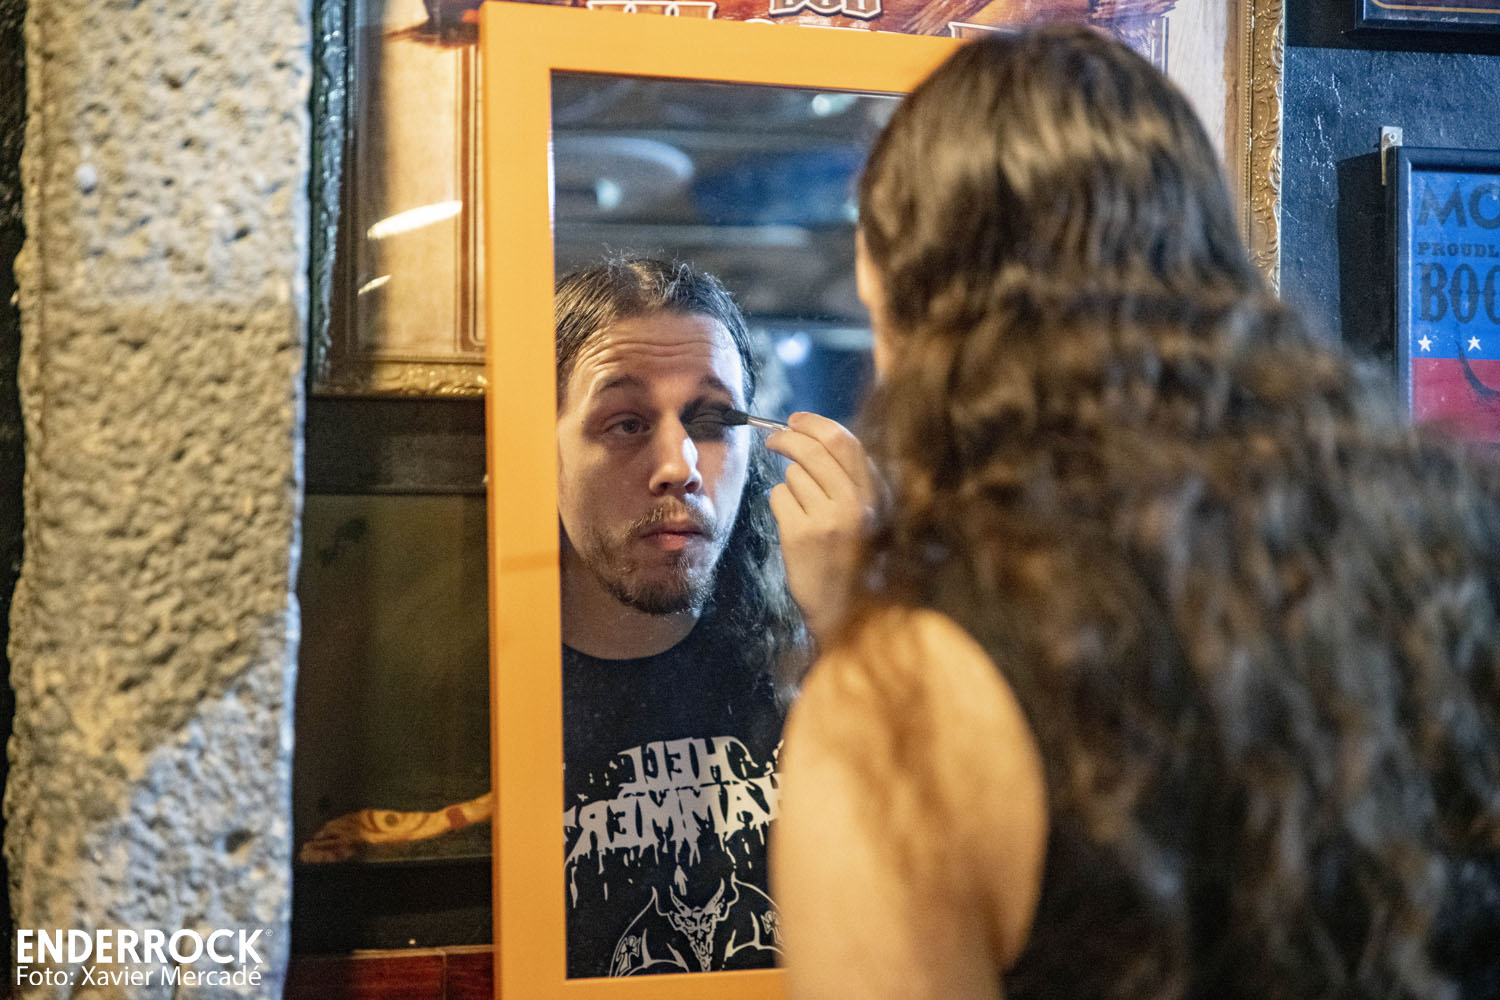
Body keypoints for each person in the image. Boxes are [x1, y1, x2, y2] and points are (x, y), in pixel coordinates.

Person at [773, 25, 1500, 1000]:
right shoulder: (1444, 549)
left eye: (877, 314)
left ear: (916, 317)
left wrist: (859, 632)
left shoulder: (900, 707)